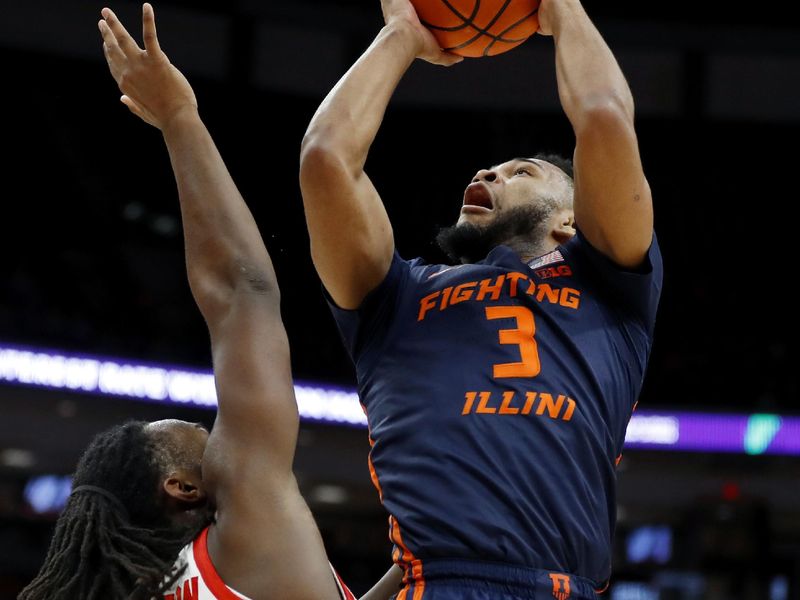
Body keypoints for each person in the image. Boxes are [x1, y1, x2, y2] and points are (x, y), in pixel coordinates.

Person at [298, 0, 664, 598]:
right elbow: (325, 159)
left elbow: (603, 117)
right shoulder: (395, 298)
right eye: (492, 168)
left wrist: (561, 9)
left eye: (521, 172)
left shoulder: (611, 284)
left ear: (571, 222)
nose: (490, 173)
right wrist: (402, 35)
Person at [19, 4, 364, 599]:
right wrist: (180, 119)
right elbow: (242, 291)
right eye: (194, 435)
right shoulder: (245, 528)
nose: (218, 433)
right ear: (182, 487)